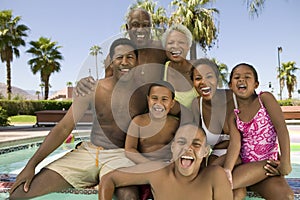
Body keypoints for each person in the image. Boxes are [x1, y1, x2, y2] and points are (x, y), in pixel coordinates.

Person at [9, 38, 147, 200]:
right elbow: (63, 128)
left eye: (130, 57)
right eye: (119, 57)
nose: (124, 62)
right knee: (20, 193)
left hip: (120, 156)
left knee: (129, 197)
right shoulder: (92, 89)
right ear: (111, 61)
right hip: (89, 152)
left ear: (137, 62)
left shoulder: (145, 94)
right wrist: (30, 166)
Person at [99, 123, 233, 200]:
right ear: (173, 147)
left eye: (196, 144)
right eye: (182, 142)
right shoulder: (157, 171)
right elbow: (108, 179)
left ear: (205, 152)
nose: (187, 148)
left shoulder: (215, 176)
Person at [224, 63, 293, 199]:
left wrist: (285, 162)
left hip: (268, 167)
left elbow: (281, 129)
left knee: (286, 197)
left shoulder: (265, 99)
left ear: (256, 84)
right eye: (236, 77)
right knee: (223, 184)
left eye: (247, 77)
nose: (241, 80)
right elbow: (235, 144)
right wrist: (227, 169)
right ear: (231, 85)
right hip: (246, 166)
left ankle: (246, 183)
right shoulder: (234, 115)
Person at [125, 80, 179, 200]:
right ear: (148, 99)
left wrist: (172, 163)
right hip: (144, 166)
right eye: (154, 98)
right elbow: (129, 149)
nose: (158, 103)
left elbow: (181, 148)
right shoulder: (138, 121)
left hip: (167, 167)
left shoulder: (175, 123)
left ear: (172, 103)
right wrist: (149, 165)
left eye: (164, 99)